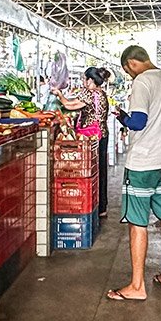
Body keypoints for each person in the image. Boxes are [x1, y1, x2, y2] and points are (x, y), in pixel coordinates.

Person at [107, 45, 161, 302]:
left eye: (127, 71)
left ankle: (137, 286)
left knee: (138, 223)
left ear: (131, 63)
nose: (130, 75)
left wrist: (122, 116)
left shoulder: (142, 82)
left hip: (143, 163)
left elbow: (138, 122)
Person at [55, 67, 111, 218]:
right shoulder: (102, 94)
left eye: (85, 79)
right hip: (102, 135)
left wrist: (59, 95)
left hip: (91, 138)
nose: (83, 82)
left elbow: (69, 105)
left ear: (90, 80)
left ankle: (92, 204)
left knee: (90, 171)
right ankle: (102, 206)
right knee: (101, 170)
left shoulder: (90, 94)